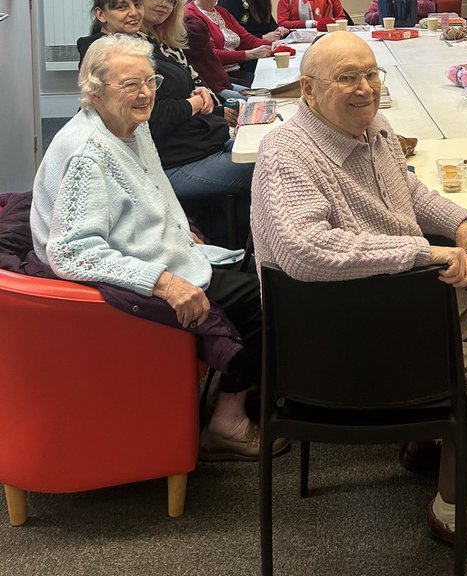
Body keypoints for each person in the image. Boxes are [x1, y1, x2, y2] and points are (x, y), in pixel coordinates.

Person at [251, 32, 467, 567]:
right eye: (347, 78)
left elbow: (409, 191)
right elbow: (305, 251)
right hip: (332, 327)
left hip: (389, 302)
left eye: (371, 74)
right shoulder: (287, 153)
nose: (365, 89)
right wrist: (422, 254)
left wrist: (462, 223)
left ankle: (429, 439)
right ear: (308, 91)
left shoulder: (371, 127)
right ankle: (454, 510)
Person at [29, 34, 287, 461]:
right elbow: (71, 251)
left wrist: (179, 224)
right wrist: (163, 282)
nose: (145, 92)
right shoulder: (89, 155)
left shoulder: (127, 124)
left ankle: (252, 387)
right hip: (123, 285)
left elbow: (147, 183)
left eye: (149, 81)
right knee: (266, 297)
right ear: (93, 93)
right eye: (130, 84)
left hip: (151, 248)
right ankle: (228, 423)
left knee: (253, 265)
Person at [78, 0, 255, 246]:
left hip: (201, 143)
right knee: (268, 167)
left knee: (271, 149)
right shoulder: (108, 58)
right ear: (100, 14)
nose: (134, 12)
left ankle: (245, 247)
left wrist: (201, 95)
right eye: (122, 7)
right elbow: (154, 118)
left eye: (136, 4)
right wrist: (194, 104)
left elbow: (185, 83)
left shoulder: (139, 45)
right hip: (174, 161)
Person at [137, 0, 243, 100]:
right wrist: (201, 104)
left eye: (170, 0)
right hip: (210, 96)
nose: (163, 4)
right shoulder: (137, 47)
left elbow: (195, 79)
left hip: (216, 91)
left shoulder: (169, 41)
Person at [185, 0, 273, 86]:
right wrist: (249, 55)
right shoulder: (191, 15)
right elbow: (211, 54)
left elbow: (246, 39)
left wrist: (274, 44)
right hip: (215, 79)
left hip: (236, 71)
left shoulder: (221, 12)